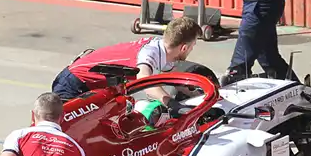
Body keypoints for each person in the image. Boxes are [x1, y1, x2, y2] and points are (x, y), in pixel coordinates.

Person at [51, 16, 200, 104]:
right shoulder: (150, 53)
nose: (192, 49)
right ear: (184, 48)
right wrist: (171, 103)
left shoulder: (165, 51)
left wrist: (197, 96)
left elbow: (172, 79)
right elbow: (146, 83)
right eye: (193, 45)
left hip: (90, 85)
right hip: (73, 84)